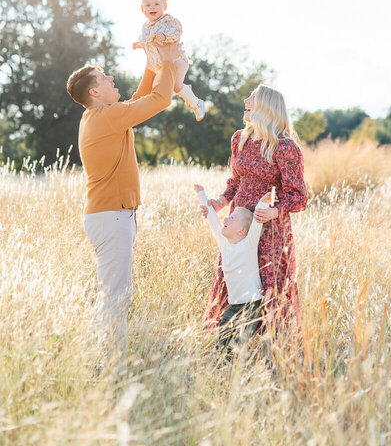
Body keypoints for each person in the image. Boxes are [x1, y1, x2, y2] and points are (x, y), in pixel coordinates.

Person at [66, 42, 181, 363]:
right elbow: (158, 100)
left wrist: (151, 65)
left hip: (111, 217)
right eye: (103, 77)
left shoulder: (104, 116)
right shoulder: (105, 118)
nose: (111, 77)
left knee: (113, 293)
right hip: (111, 217)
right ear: (95, 93)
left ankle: (99, 357)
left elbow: (138, 102)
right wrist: (169, 63)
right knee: (116, 296)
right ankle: (107, 362)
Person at [202, 85, 308, 334]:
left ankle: (271, 343)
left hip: (268, 229)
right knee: (233, 275)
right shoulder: (240, 138)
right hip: (237, 225)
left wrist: (276, 211)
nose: (245, 100)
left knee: (268, 283)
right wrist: (220, 201)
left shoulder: (285, 148)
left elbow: (299, 196)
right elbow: (236, 182)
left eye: (252, 98)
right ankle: (227, 339)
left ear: (266, 107)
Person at [195, 184, 276, 360]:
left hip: (252, 305)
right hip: (233, 306)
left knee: (239, 343)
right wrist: (202, 196)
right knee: (222, 342)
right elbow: (213, 221)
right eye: (229, 216)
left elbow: (256, 224)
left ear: (242, 231)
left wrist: (263, 203)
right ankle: (224, 372)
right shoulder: (224, 245)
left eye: (232, 218)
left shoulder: (248, 244)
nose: (227, 218)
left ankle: (242, 374)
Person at [132, 0, 205, 121]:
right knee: (157, 89)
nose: (152, 7)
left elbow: (177, 30)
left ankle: (197, 103)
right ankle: (186, 90)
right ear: (142, 9)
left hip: (177, 60)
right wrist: (139, 44)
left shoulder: (167, 20)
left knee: (176, 86)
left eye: (156, 4)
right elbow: (147, 41)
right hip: (162, 66)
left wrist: (165, 36)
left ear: (164, 5)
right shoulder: (146, 27)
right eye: (148, 5)